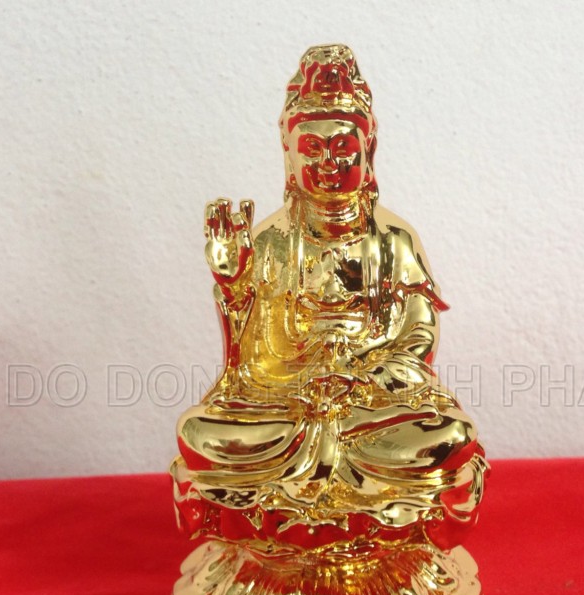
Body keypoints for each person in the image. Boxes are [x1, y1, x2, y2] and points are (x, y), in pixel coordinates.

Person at [170, 44, 487, 549]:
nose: (328, 164)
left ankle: (311, 512)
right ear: (290, 156)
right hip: (287, 409)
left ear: (368, 149)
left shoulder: (394, 240)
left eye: (342, 148)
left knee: (447, 434)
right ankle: (342, 508)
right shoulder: (269, 242)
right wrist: (233, 284)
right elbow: (247, 365)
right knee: (200, 432)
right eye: (312, 150)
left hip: (370, 410)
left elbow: (417, 340)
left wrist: (362, 379)